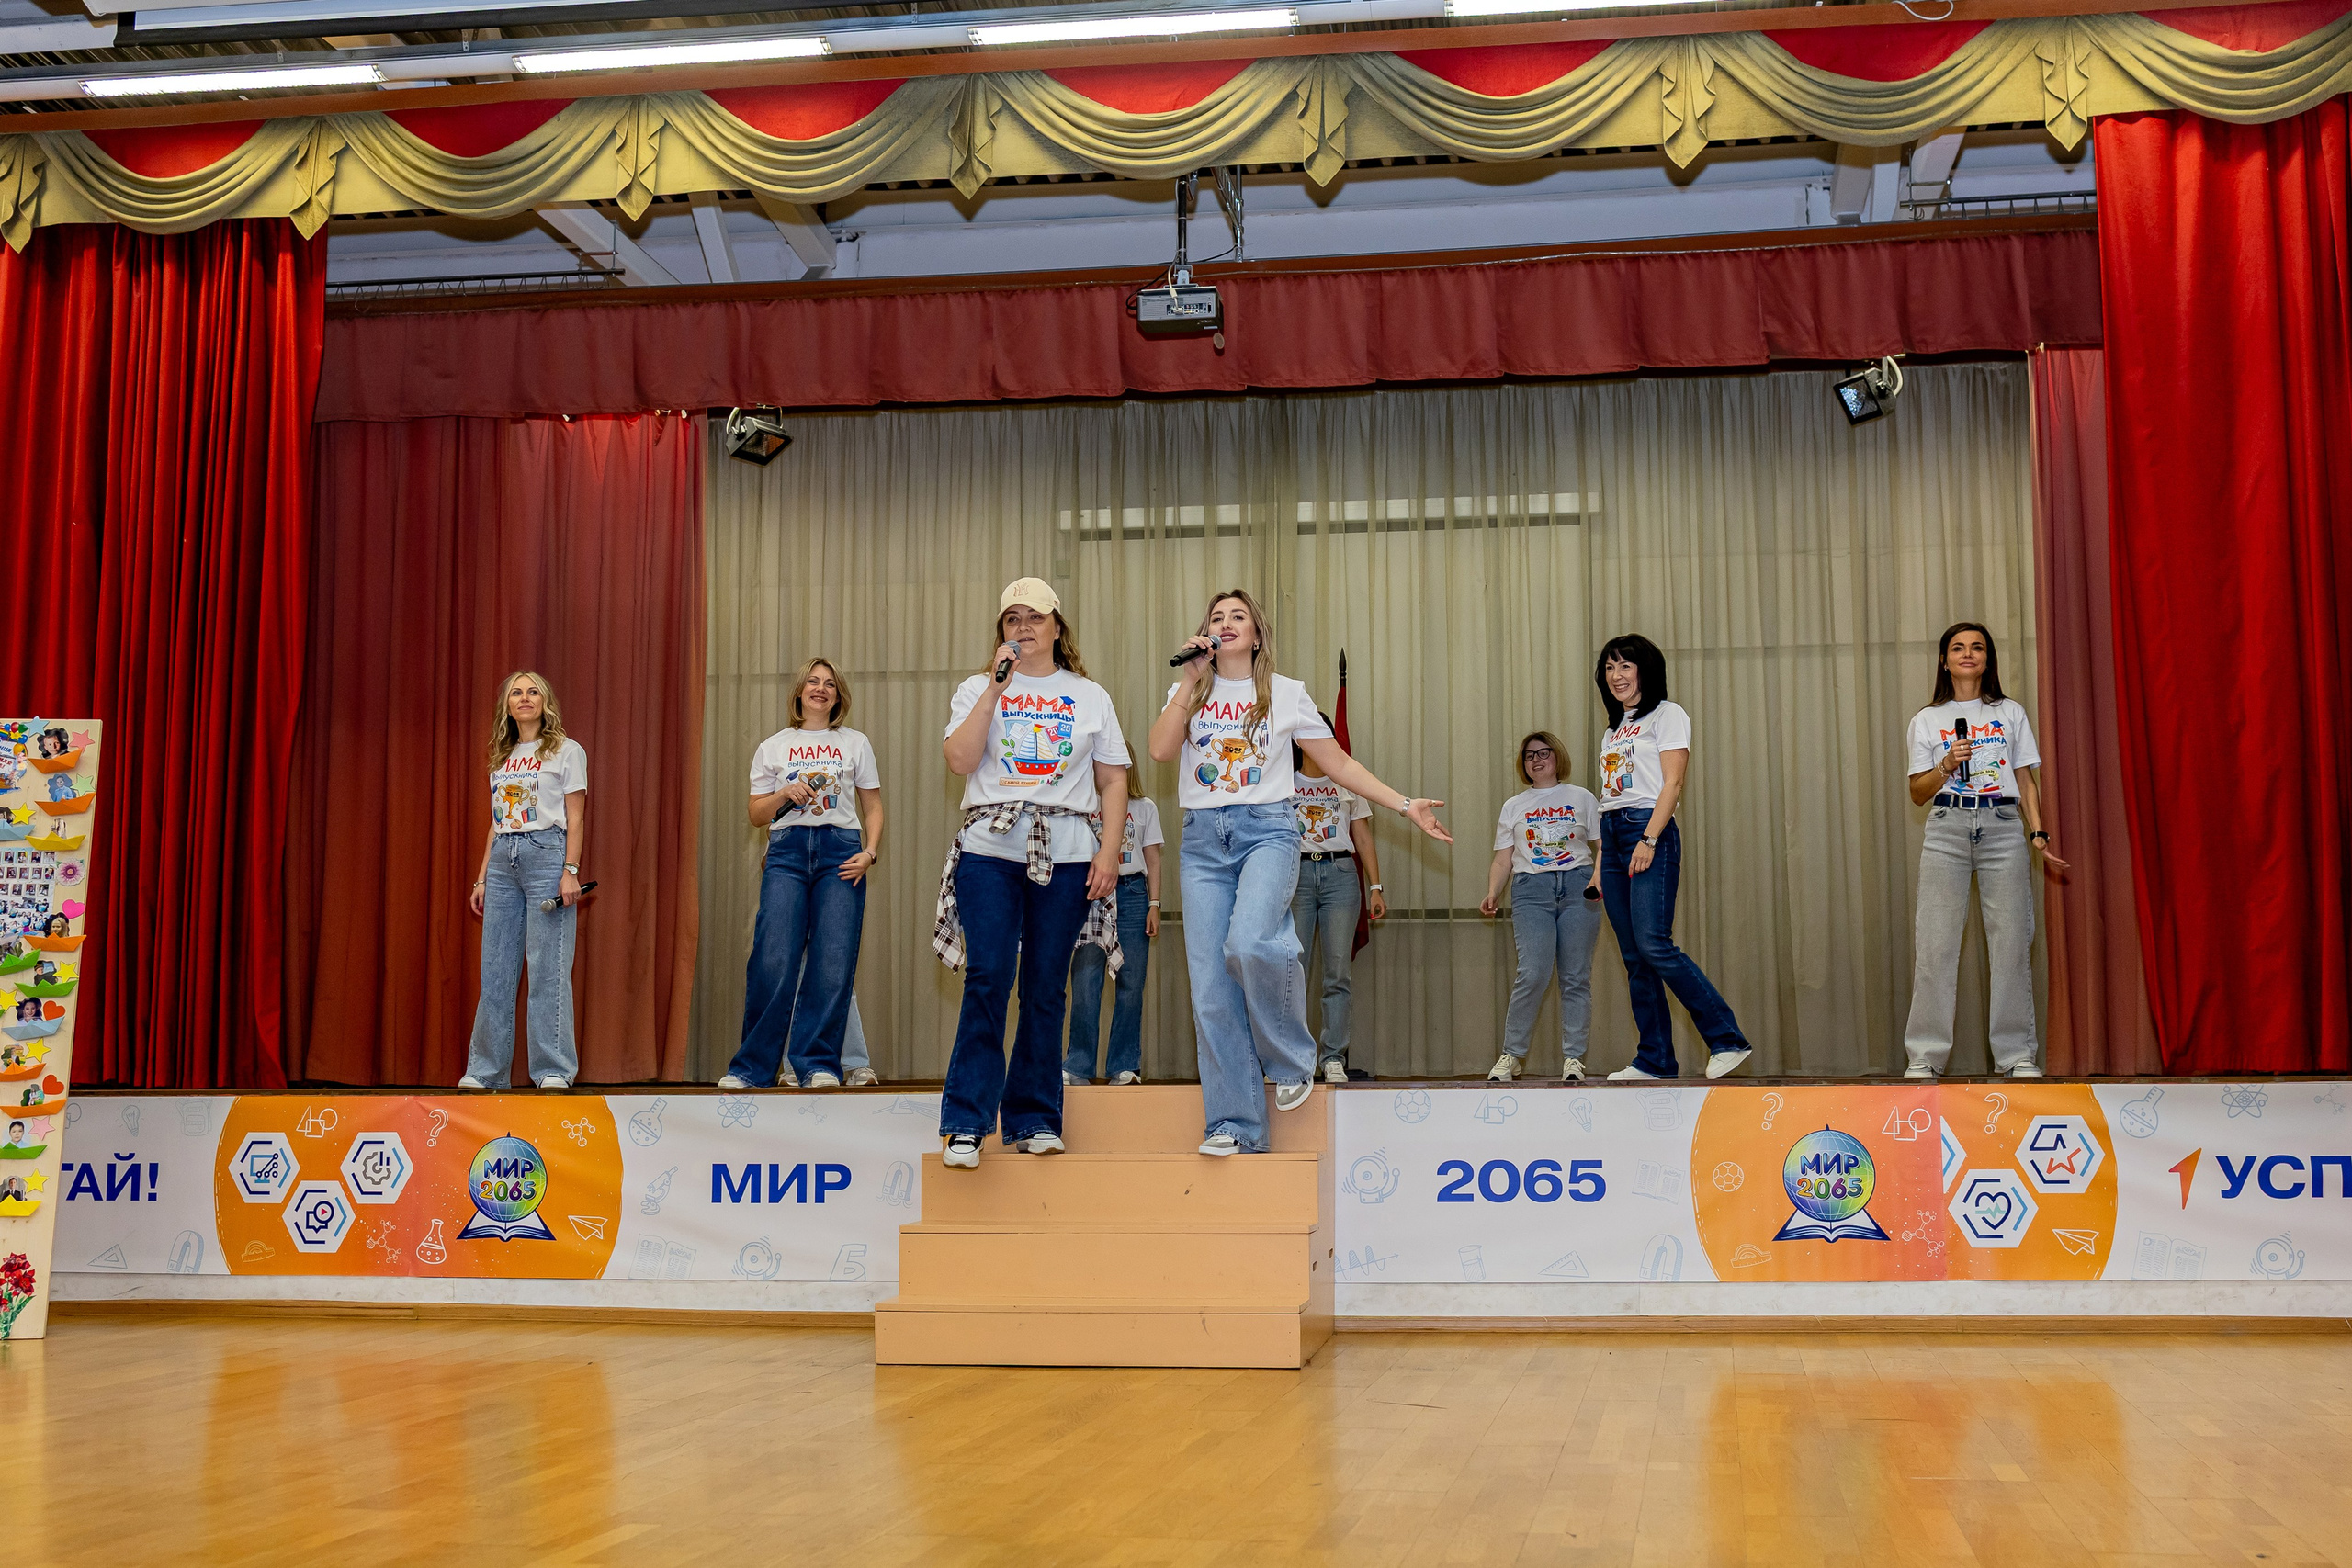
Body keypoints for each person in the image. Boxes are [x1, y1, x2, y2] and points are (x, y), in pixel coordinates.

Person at [1149, 590, 1449, 1156]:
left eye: (1238, 616)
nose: (1226, 624)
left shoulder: (1286, 694)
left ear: (1257, 634)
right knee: (1212, 991)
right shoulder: (1190, 689)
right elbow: (1162, 751)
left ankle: (1290, 1058)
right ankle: (1235, 1125)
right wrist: (1189, 682)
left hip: (1269, 831)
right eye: (1216, 618)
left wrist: (1404, 803)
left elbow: (1336, 762)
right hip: (1203, 841)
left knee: (1251, 941)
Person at [935, 578, 1129, 1169]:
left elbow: (1114, 777)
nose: (1023, 628)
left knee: (1046, 986)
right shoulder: (977, 687)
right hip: (990, 849)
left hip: (1068, 852)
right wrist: (995, 691)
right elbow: (961, 760)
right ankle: (967, 1123)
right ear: (1001, 631)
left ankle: (1036, 1117)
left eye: (1035, 618)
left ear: (1057, 628)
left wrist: (1109, 853)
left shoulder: (1089, 695)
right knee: (989, 975)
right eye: (1012, 619)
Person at [1903, 622, 2068, 1079]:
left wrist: (2038, 834)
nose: (1968, 654)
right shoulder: (1927, 719)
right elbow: (1918, 792)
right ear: (1944, 660)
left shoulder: (2010, 712)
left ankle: (2016, 1057)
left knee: (2012, 944)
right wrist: (1946, 764)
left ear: (1988, 658)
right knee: (1935, 947)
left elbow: (2025, 778)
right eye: (1958, 648)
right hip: (1946, 827)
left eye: (1977, 647)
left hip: (2001, 827)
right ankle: (1924, 1057)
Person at [1592, 635, 1750, 1081]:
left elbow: (1672, 783)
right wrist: (1602, 863)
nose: (1617, 676)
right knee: (1634, 956)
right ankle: (1655, 1058)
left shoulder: (1668, 714)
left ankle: (1727, 1039)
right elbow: (1610, 796)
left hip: (1648, 830)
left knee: (1654, 944)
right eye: (1609, 668)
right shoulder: (1612, 730)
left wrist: (1649, 839)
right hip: (1614, 833)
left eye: (1626, 666)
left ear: (1645, 669)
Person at [721, 659, 883, 1092]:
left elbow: (873, 807)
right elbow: (756, 814)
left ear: (838, 696)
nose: (821, 688)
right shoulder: (774, 745)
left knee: (832, 963)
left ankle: (817, 1065)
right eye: (813, 681)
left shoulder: (856, 743)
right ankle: (751, 1069)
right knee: (773, 959)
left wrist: (870, 851)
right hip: (787, 854)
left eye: (829, 684)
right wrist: (782, 794)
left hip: (842, 853)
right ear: (799, 692)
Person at [461, 670, 587, 1090]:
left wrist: (570, 870)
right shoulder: (502, 755)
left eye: (533, 691)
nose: (525, 698)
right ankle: (484, 1071)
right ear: (508, 705)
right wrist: (481, 878)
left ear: (545, 701)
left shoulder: (568, 752)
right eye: (517, 692)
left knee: (548, 966)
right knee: (495, 969)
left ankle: (552, 1070)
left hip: (547, 856)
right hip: (502, 862)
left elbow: (575, 816)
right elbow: (496, 823)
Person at [1480, 730, 1602, 1083]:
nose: (1537, 760)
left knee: (1575, 977)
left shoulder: (1582, 797)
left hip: (1579, 887)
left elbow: (1602, 845)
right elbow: (1503, 858)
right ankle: (1512, 1055)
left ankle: (1574, 1059)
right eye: (1530, 755)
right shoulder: (1513, 806)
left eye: (1544, 753)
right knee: (1532, 973)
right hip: (1531, 889)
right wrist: (1493, 891)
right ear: (1524, 765)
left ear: (1557, 757)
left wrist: (1597, 880)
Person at [1291, 722, 1385, 1085]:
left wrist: (1375, 885)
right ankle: (1295, 1058)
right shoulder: (1284, 783)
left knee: (1337, 973)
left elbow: (1362, 835)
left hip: (1341, 875)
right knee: (1293, 971)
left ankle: (1333, 1057)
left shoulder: (1347, 780)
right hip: (1296, 877)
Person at [1064, 769, 1162, 1087]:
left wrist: (1155, 904)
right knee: (1086, 980)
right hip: (1091, 892)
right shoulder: (1081, 805)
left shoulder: (1145, 807)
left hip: (1133, 893)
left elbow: (1154, 860)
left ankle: (1124, 1065)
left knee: (1131, 982)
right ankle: (1078, 1066)